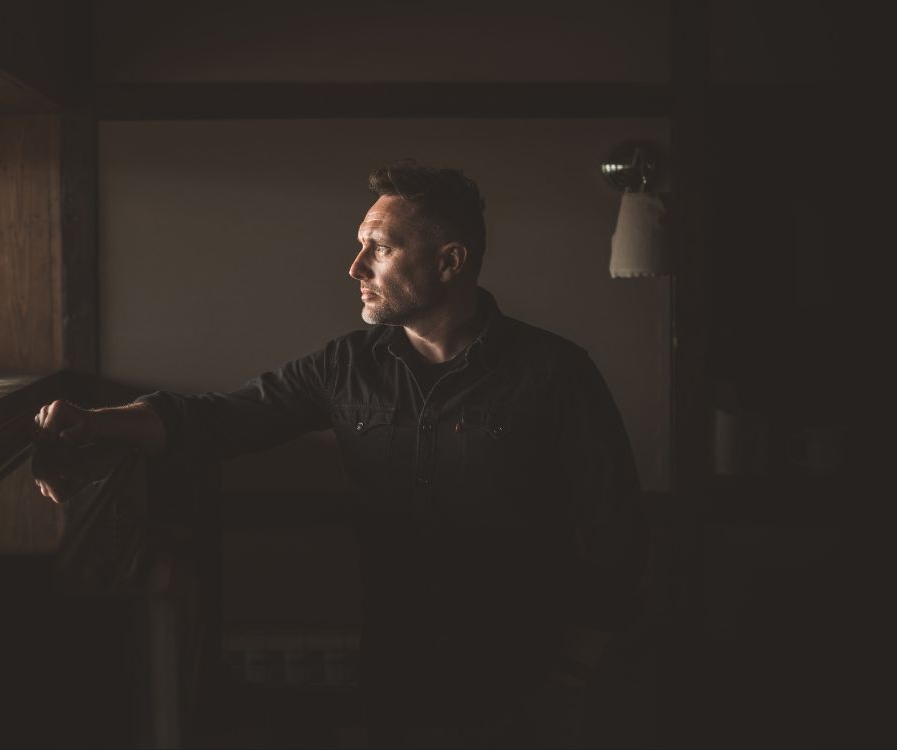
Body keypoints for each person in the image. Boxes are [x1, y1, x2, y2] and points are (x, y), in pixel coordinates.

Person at [32, 159, 646, 747]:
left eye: (379, 247)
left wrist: (572, 674)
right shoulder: (346, 366)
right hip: (396, 670)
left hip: (526, 676)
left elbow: (612, 524)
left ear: (449, 261)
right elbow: (221, 418)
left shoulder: (555, 373)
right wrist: (99, 424)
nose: (355, 266)